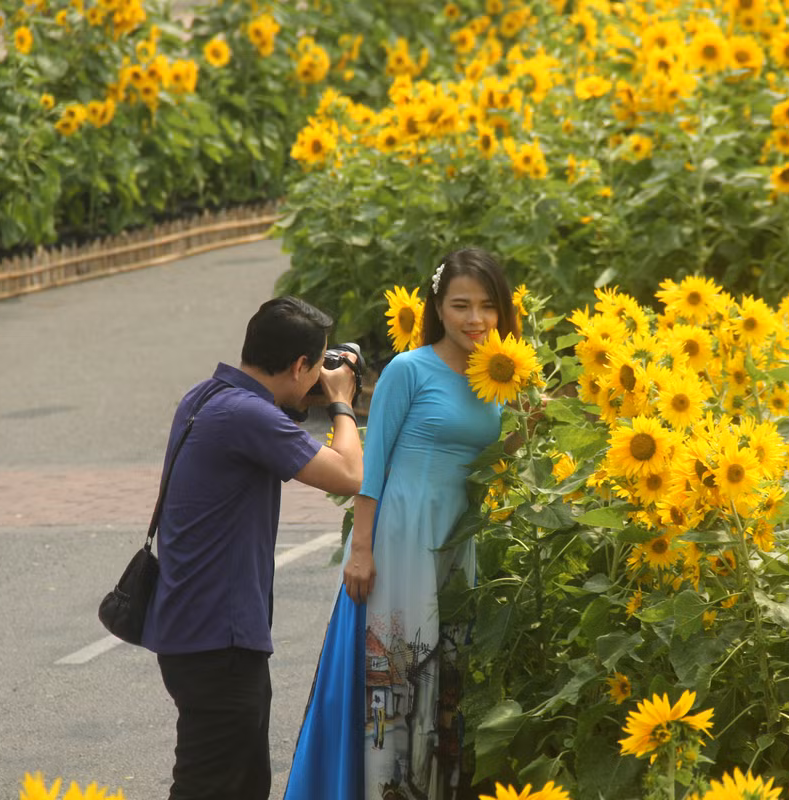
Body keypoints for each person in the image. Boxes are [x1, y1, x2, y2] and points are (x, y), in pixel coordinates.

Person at [284, 247, 519, 800]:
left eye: (487, 306)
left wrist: (529, 411)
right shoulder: (410, 371)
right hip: (403, 539)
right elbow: (375, 465)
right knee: (399, 675)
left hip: (461, 541)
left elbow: (504, 460)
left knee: (449, 678)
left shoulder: (505, 380)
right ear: (438, 305)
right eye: (461, 305)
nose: (476, 319)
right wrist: (359, 550)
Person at [142, 296, 364, 800]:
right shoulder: (249, 417)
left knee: (236, 783)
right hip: (219, 640)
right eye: (315, 368)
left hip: (192, 632)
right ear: (300, 365)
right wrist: (342, 400)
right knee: (214, 786)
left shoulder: (204, 397)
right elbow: (351, 474)